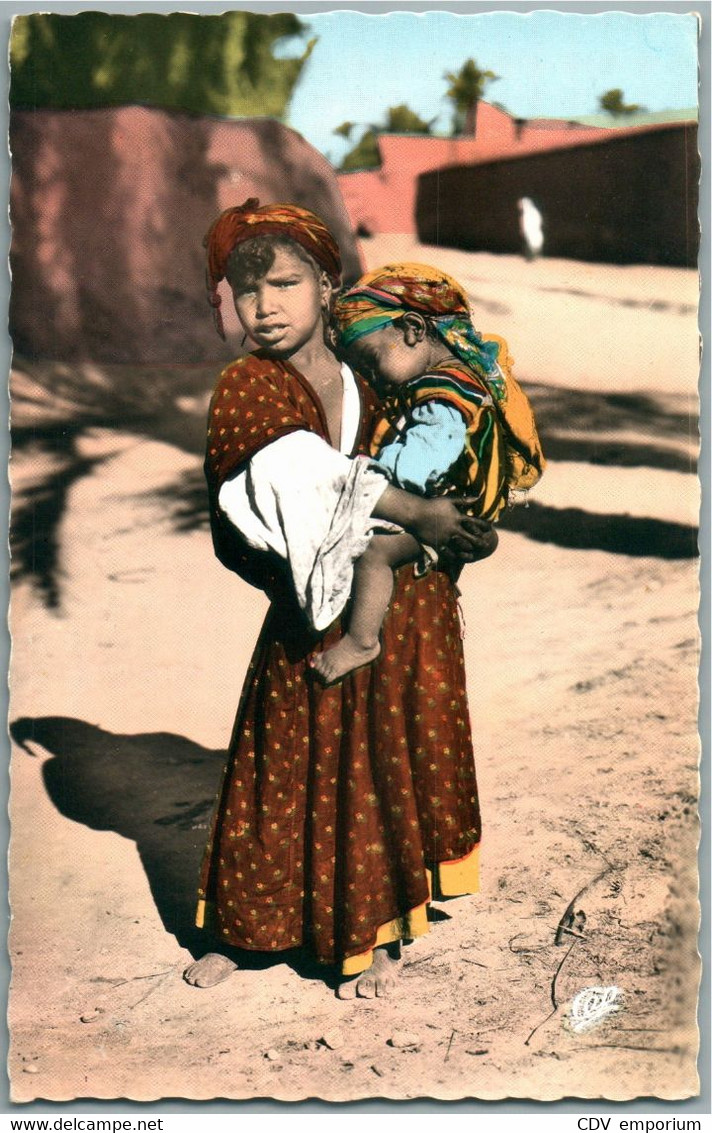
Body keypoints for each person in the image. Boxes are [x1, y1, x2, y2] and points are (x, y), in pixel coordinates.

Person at [183, 199, 497, 998]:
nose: (265, 306)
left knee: (380, 764)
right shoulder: (249, 386)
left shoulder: (376, 368)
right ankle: (243, 930)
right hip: (307, 609)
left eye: (285, 283)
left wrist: (459, 521)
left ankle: (380, 931)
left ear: (327, 285)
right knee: (279, 764)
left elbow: (454, 435)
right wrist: (413, 510)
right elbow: (299, 479)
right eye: (244, 291)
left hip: (399, 603)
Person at [311, 263, 546, 685]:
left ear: (413, 329)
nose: (372, 378)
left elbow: (428, 455)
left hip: (437, 503)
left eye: (371, 360)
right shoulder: (464, 378)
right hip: (464, 509)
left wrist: (380, 475)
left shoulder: (442, 392)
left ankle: (362, 640)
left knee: (373, 552)